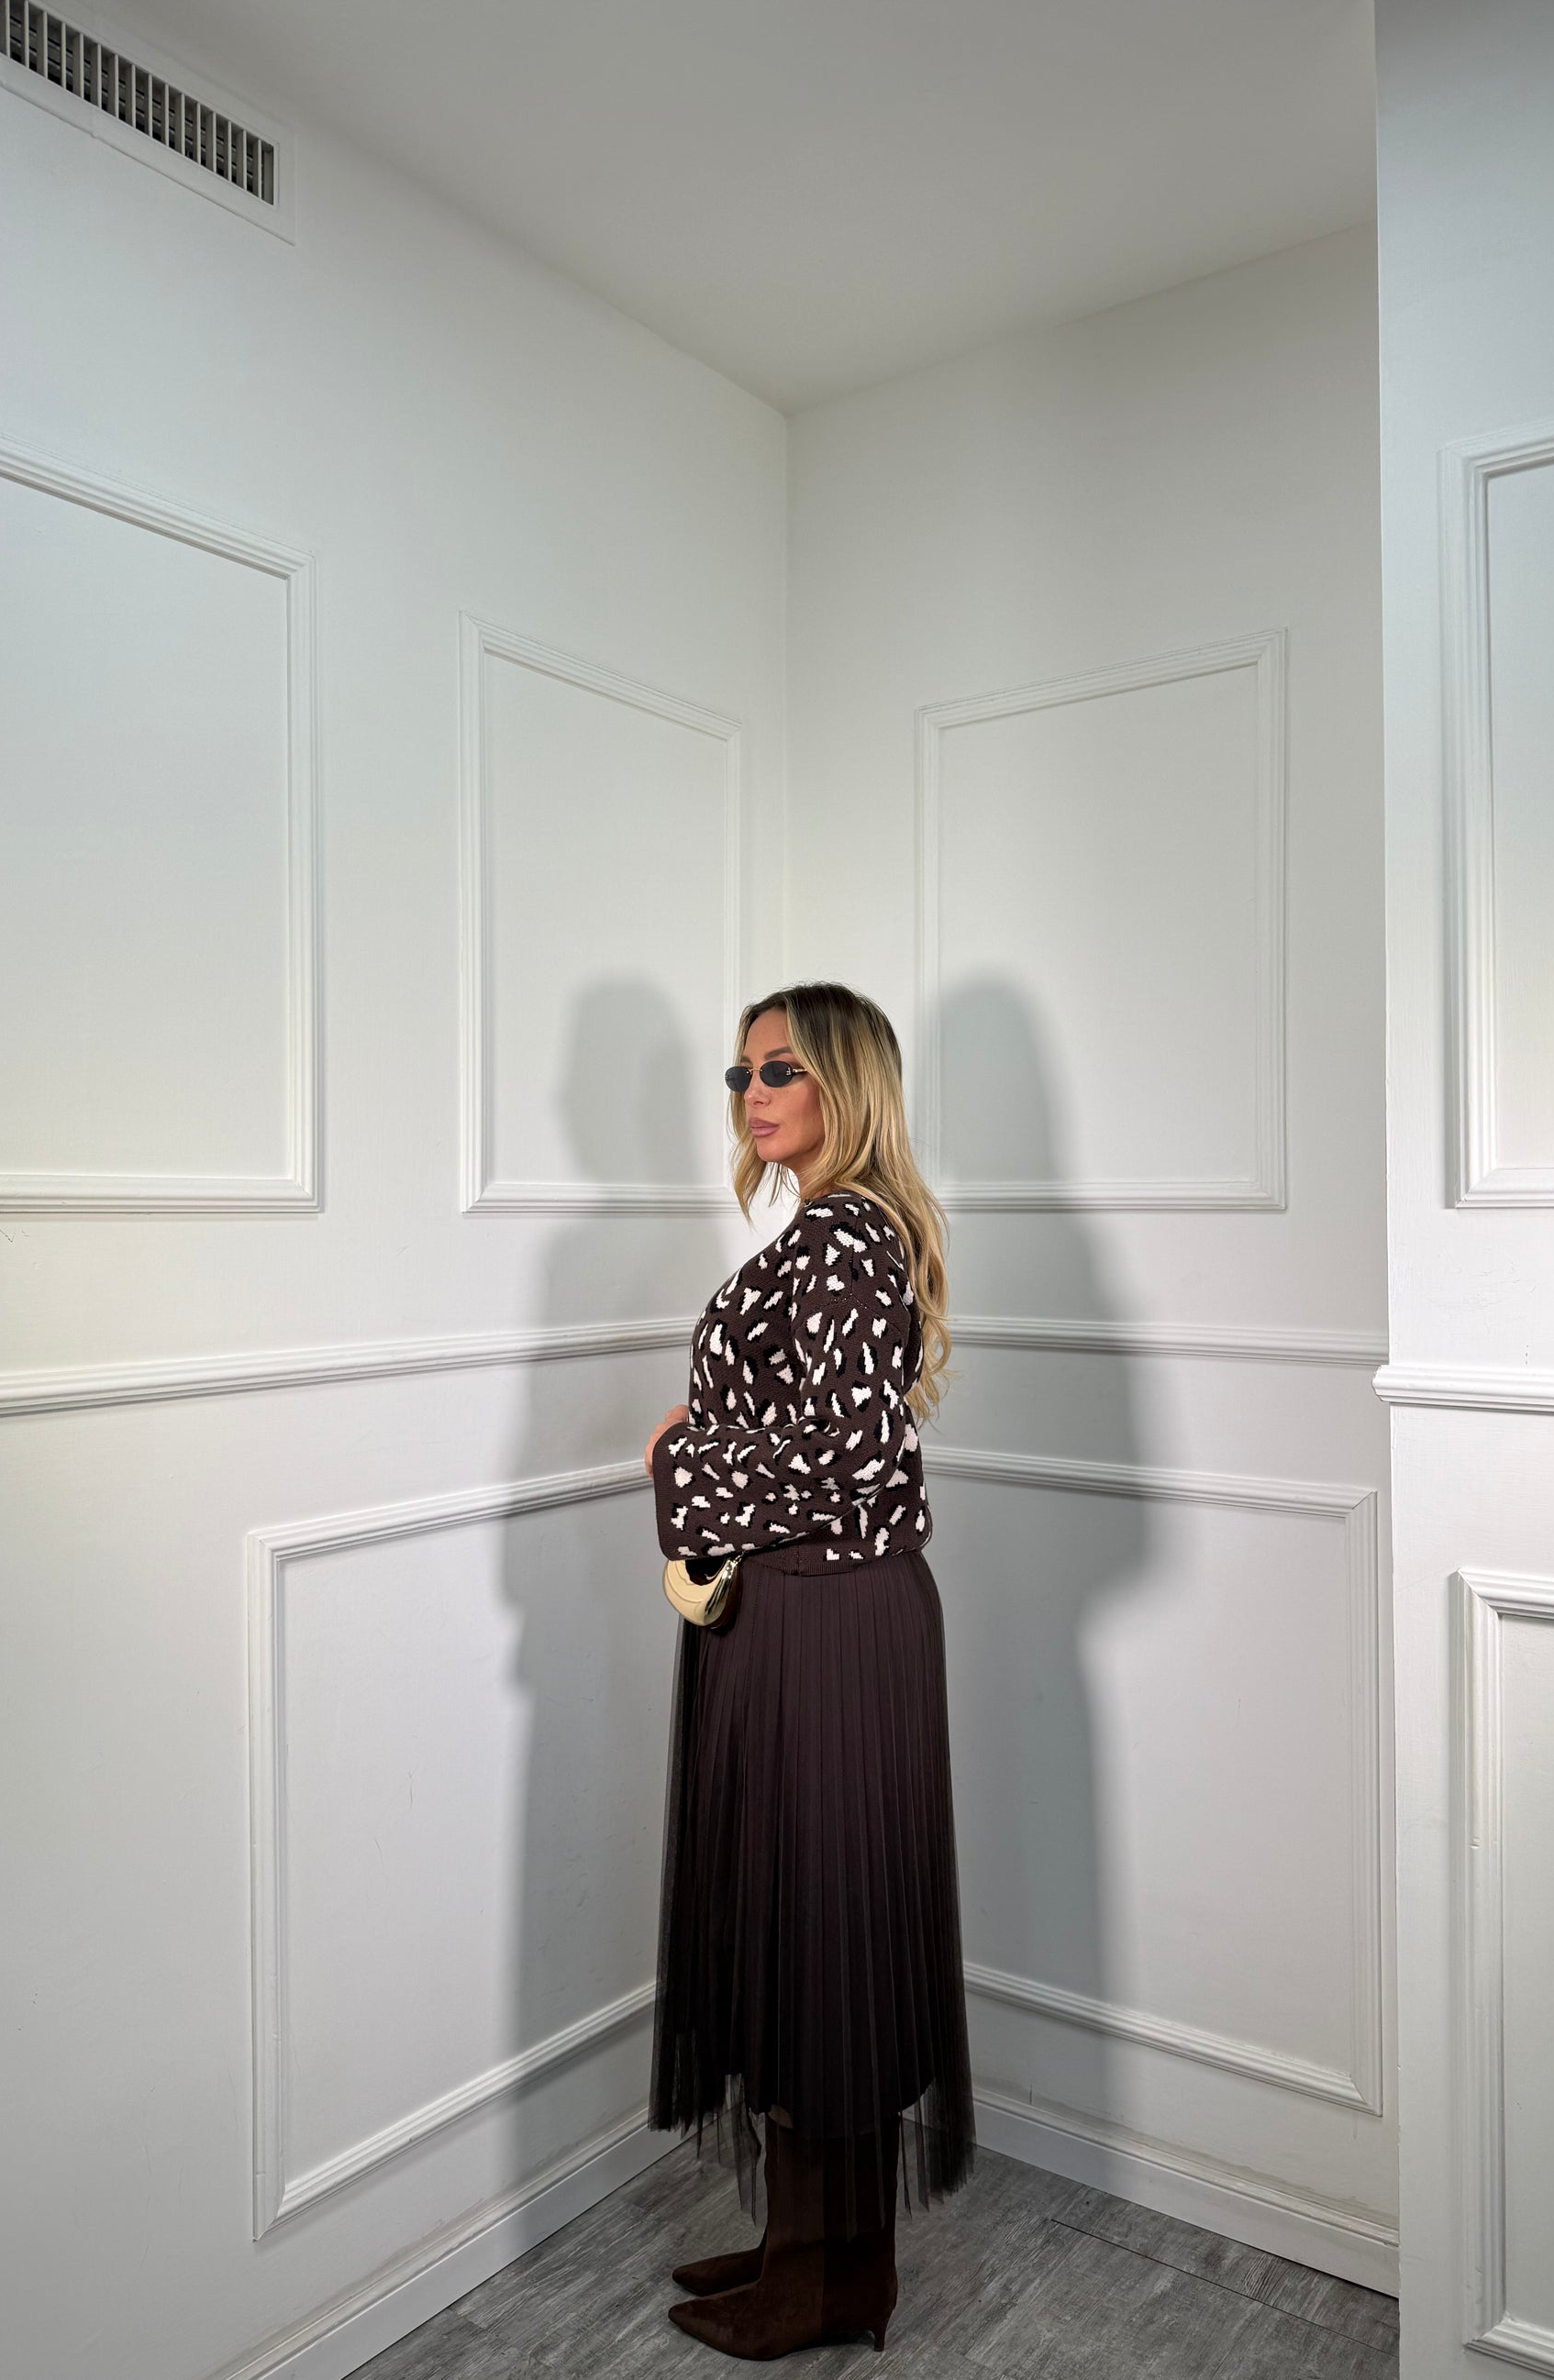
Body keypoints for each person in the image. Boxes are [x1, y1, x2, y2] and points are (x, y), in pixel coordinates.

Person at [643, 980, 977, 2359]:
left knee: (814, 1934)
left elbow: (841, 1464)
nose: (752, 1095)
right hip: (813, 1618)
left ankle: (828, 2277)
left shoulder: (841, 1237)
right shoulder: (841, 1228)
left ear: (847, 1080)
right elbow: (827, 1441)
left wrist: (682, 1455)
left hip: (823, 1626)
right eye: (740, 1075)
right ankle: (821, 2254)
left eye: (779, 1068)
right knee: (806, 1933)